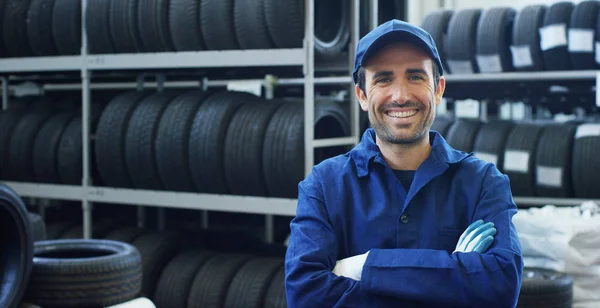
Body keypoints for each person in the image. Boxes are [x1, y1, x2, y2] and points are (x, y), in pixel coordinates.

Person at [284, 19, 524, 307]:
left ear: (438, 89)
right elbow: (305, 294)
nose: (401, 96)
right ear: (362, 95)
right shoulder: (324, 185)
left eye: (415, 77)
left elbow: (501, 288)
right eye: (383, 79)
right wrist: (453, 274)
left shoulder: (484, 183)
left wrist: (364, 266)